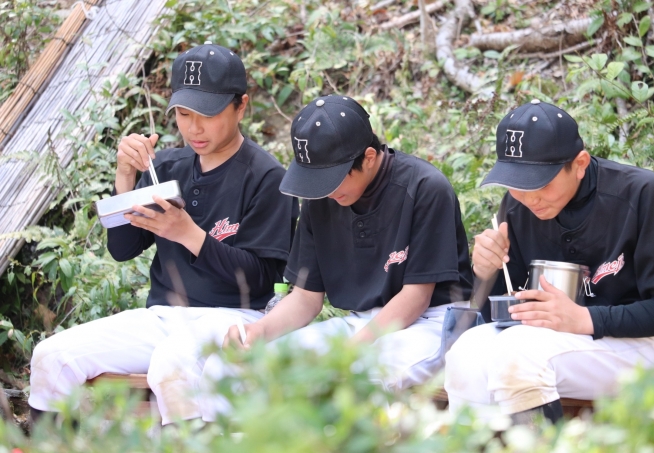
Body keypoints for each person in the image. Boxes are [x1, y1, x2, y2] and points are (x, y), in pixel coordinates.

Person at [28, 42, 297, 425]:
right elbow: (123, 249)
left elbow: (260, 279)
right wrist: (125, 178)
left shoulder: (267, 177)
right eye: (184, 114)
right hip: (163, 316)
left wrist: (189, 234)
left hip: (234, 317)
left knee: (171, 366)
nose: (194, 128)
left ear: (241, 106)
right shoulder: (167, 167)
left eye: (208, 114)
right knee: (52, 357)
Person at [203, 94, 473, 401]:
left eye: (331, 179)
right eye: (315, 180)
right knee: (234, 367)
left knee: (354, 379)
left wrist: (349, 352)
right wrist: (260, 331)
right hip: (359, 323)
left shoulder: (424, 187)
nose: (325, 190)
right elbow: (306, 297)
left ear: (368, 157)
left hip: (431, 322)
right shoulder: (322, 197)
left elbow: (416, 297)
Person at [444, 100, 654, 424]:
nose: (530, 198)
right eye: (517, 183)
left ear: (580, 163)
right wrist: (486, 273)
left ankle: (541, 444)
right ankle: (478, 444)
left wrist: (585, 319)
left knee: (518, 352)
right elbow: (501, 315)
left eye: (540, 183)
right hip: (564, 342)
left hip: (653, 343)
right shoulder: (516, 208)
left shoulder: (640, 194)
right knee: (467, 351)